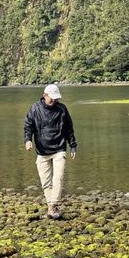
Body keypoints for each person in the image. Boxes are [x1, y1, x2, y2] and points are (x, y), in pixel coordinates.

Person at [24, 83, 77, 219]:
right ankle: (51, 207)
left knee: (58, 178)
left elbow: (69, 129)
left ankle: (53, 205)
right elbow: (28, 126)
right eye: (51, 98)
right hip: (42, 151)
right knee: (46, 182)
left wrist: (73, 145)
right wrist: (28, 140)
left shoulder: (62, 109)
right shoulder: (35, 109)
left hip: (59, 148)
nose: (54, 101)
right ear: (44, 95)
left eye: (56, 98)